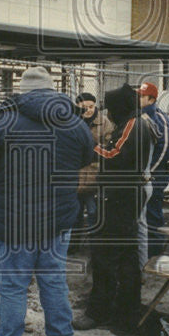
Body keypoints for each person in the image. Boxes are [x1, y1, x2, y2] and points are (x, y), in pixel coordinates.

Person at [0, 66, 94, 336]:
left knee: (13, 286)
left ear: (23, 93)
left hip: (16, 222)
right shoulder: (74, 121)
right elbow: (87, 156)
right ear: (52, 91)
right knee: (53, 281)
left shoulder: (8, 117)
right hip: (58, 220)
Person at [73, 83, 154, 335]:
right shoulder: (134, 123)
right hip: (123, 196)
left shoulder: (133, 124)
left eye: (110, 109)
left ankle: (99, 311)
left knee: (105, 255)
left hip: (121, 198)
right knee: (126, 256)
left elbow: (114, 155)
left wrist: (90, 147)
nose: (107, 114)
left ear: (119, 107)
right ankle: (126, 309)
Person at [137, 82, 169, 265]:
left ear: (151, 99)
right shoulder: (140, 115)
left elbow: (166, 148)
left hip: (156, 174)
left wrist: (150, 171)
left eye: (141, 96)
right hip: (145, 174)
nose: (138, 99)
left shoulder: (160, 118)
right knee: (143, 212)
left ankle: (155, 251)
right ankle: (144, 250)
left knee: (153, 211)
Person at [75, 92, 113, 243]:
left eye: (91, 106)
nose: (88, 110)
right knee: (74, 213)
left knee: (93, 212)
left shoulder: (104, 123)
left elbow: (109, 146)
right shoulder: (71, 122)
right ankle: (74, 244)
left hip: (94, 176)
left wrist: (91, 151)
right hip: (75, 177)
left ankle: (94, 244)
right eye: (84, 107)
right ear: (77, 107)